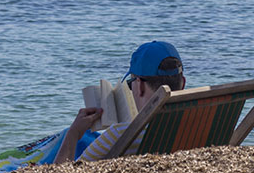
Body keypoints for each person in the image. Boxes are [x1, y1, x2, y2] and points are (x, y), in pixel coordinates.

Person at [54, 41, 186, 164]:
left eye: (131, 83)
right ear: (183, 83)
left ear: (139, 86)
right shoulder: (197, 124)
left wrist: (73, 133)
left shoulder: (118, 134)